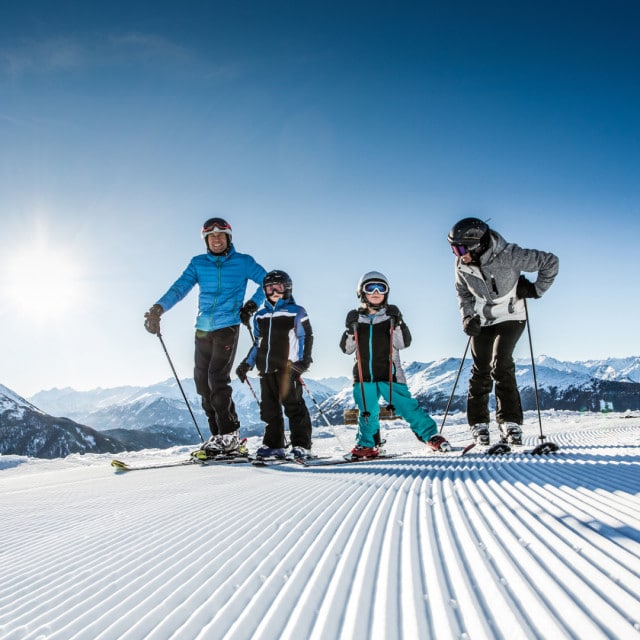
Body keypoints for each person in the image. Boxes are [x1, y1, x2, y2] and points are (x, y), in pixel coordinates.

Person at [144, 217, 266, 456]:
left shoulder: (243, 262)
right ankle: (218, 437)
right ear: (206, 240)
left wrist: (252, 304)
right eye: (211, 236)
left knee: (217, 378)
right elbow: (180, 288)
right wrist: (158, 308)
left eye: (221, 235)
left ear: (228, 238)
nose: (216, 239)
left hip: (228, 325)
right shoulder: (198, 264)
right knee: (202, 383)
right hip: (202, 328)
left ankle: (229, 436)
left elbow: (269, 282)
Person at [447, 217, 559, 445]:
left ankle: (510, 421)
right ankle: (478, 424)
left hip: (512, 315)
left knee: (502, 363)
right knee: (480, 369)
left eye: (460, 248)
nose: (457, 254)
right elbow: (463, 293)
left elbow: (550, 262)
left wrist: (536, 290)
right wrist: (467, 318)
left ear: (477, 245)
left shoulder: (510, 255)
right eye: (453, 249)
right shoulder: (461, 265)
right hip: (483, 319)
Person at [339, 271, 450, 458]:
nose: (375, 292)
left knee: (407, 406)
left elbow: (402, 343)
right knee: (367, 412)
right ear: (361, 293)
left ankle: (431, 435)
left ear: (386, 293)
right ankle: (367, 445)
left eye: (381, 288)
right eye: (370, 288)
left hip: (390, 374)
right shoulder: (357, 319)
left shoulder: (390, 317)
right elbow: (347, 349)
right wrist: (350, 329)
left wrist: (398, 322)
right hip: (363, 375)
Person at [235, 270, 314, 460]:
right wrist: (247, 363)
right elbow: (258, 343)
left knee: (294, 407)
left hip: (289, 369)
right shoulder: (260, 316)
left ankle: (302, 445)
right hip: (266, 370)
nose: (273, 292)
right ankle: (274, 445)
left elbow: (307, 338)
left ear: (287, 288)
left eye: (278, 287)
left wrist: (303, 363)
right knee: (270, 411)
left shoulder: (297, 311)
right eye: (269, 288)